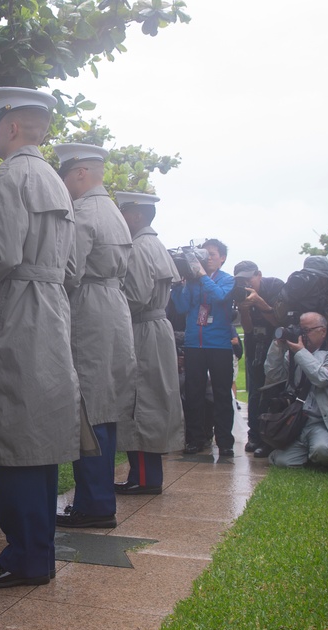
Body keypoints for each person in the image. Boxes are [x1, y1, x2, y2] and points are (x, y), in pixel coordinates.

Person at [0, 87, 84, 589]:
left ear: (11, 127)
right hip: (51, 307)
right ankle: (36, 551)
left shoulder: (10, 175)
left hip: (17, 309)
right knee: (40, 434)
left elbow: (0, 255)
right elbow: (73, 267)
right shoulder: (55, 180)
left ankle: (25, 557)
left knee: (17, 434)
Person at [53, 143, 136, 530]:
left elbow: (70, 269)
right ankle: (96, 499)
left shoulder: (84, 211)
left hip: (88, 307)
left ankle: (95, 504)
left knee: (88, 407)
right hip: (112, 307)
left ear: (81, 172)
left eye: (67, 175)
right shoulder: (113, 211)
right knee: (105, 405)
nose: (64, 184)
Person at [114, 192, 184, 495]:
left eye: (125, 214)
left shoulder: (141, 246)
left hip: (143, 327)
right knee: (152, 399)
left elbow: (136, 296)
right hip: (156, 328)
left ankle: (144, 477)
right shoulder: (154, 243)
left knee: (142, 402)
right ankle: (145, 475)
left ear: (137, 216)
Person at [171, 239, 236, 456]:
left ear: (222, 258)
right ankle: (195, 439)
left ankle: (225, 441)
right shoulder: (193, 281)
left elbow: (220, 297)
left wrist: (202, 277)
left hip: (219, 345)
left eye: (213, 255)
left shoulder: (228, 280)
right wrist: (179, 285)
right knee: (194, 393)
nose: (208, 258)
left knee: (221, 394)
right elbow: (181, 307)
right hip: (194, 344)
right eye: (204, 254)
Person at [264, 312, 328, 467]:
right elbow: (273, 374)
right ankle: (309, 454)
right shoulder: (293, 356)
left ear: (323, 331)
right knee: (281, 461)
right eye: (300, 330)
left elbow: (322, 378)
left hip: (322, 423)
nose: (303, 335)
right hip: (296, 422)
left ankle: (317, 452)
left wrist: (300, 352)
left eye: (307, 331)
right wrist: (277, 345)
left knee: (324, 450)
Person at [232, 260, 284, 457]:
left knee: (273, 388)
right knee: (254, 389)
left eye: (249, 278)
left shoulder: (276, 286)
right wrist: (244, 308)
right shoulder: (240, 292)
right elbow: (247, 329)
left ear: (259, 274)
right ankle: (254, 435)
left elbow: (279, 321)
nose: (246, 283)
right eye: (241, 280)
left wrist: (259, 302)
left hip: (276, 341)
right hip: (256, 341)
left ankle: (269, 437)